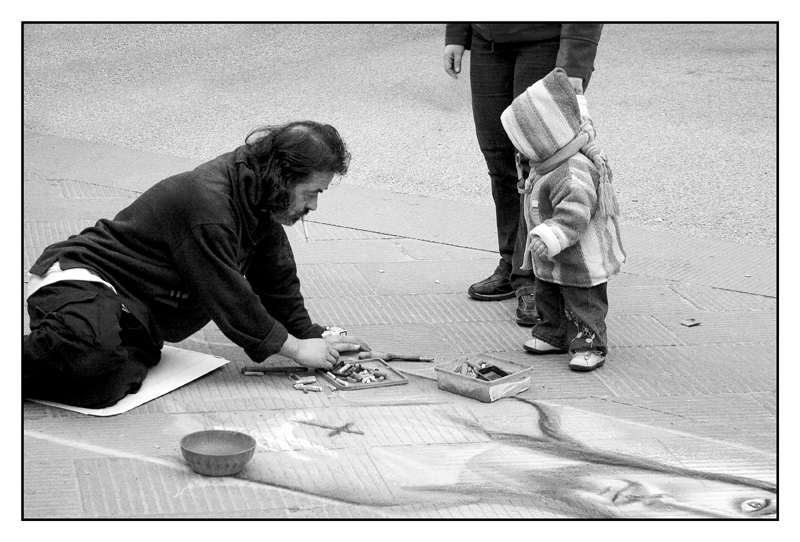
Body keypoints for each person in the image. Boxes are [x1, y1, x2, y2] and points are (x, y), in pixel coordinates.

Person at [23, 121, 365, 408]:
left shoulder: (259, 199)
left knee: (104, 389)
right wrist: (297, 348)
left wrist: (313, 336)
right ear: (283, 178)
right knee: (90, 349)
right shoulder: (209, 204)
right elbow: (229, 296)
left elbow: (277, 282)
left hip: (133, 315)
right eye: (312, 192)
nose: (313, 205)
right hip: (84, 277)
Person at [443, 24, 603, 327]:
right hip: (487, 39)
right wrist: (457, 32)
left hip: (544, 39)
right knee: (499, 159)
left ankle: (534, 277)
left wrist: (575, 63)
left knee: (538, 164)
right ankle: (512, 262)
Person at [500, 67, 625, 371]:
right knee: (549, 292)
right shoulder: (549, 164)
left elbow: (575, 212)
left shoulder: (571, 171)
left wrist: (549, 235)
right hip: (556, 256)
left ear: (543, 139)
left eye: (523, 142)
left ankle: (590, 344)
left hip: (581, 258)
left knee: (583, 301)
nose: (519, 150)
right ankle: (553, 332)